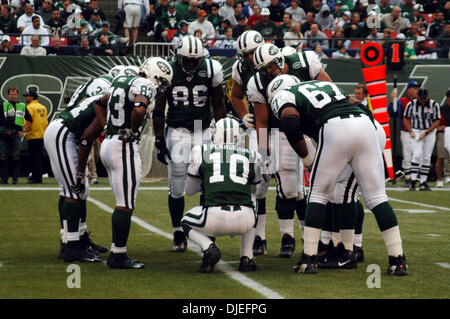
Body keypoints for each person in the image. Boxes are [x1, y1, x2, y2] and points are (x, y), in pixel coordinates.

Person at [268, 75, 408, 276]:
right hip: (367, 125)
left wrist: (307, 158)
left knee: (317, 194)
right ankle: (398, 259)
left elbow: (290, 123)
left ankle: (309, 258)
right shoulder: (324, 85)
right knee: (377, 197)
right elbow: (358, 105)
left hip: (336, 128)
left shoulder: (284, 95)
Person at [246, 43, 332, 258]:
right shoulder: (257, 82)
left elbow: (330, 90)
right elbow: (263, 120)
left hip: (314, 127)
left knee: (325, 186)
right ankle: (288, 238)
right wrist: (264, 150)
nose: (268, 72)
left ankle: (332, 241)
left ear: (279, 59)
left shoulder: (304, 63)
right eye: (263, 69)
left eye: (269, 67)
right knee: (289, 188)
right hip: (282, 131)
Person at [94, 57, 173, 269]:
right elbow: (139, 110)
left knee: (123, 200)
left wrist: (106, 128)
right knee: (126, 203)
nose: (161, 87)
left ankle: (117, 252)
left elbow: (99, 102)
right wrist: (133, 130)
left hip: (109, 144)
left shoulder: (121, 79)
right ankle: (118, 255)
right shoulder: (144, 84)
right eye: (162, 81)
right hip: (123, 145)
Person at [152, 35, 226, 253]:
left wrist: (222, 132)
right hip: (178, 131)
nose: (193, 64)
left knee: (207, 181)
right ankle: (177, 231)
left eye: (196, 60)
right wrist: (159, 138)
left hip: (203, 130)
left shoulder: (211, 68)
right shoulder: (168, 70)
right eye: (188, 60)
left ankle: (206, 229)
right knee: (176, 186)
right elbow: (159, 108)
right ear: (178, 55)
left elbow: (219, 103)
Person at [181, 117, 261, 273]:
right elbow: (255, 189)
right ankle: (247, 257)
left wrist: (209, 183)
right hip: (246, 220)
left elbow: (189, 191)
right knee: (251, 200)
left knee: (185, 221)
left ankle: (208, 247)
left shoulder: (201, 151)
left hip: (213, 218)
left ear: (214, 134)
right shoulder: (252, 155)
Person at [230, 30, 268, 255]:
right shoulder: (240, 68)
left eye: (251, 53)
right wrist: (245, 115)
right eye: (245, 55)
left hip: (282, 129)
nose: (248, 59)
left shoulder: (275, 62)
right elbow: (235, 95)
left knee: (291, 188)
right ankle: (259, 237)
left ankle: (290, 237)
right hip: (259, 130)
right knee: (257, 183)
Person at [403, 88, 441, 191]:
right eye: (421, 99)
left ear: (427, 97)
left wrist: (427, 132)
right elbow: (406, 117)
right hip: (417, 131)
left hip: (429, 132)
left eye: (424, 99)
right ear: (418, 97)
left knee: (426, 157)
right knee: (417, 154)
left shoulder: (434, 105)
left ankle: (423, 182)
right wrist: (410, 130)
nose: (423, 101)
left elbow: (437, 121)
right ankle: (413, 181)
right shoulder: (411, 104)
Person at [388, 80, 419, 187]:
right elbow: (394, 112)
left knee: (418, 155)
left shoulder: (421, 101)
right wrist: (393, 101)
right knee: (407, 155)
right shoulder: (402, 100)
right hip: (406, 131)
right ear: (409, 90)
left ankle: (417, 177)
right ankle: (408, 178)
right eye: (414, 88)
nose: (416, 90)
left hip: (420, 131)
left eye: (417, 88)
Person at [0, 87, 32, 184]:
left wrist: (23, 131)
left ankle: (15, 179)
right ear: (8, 95)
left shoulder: (22, 106)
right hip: (3, 135)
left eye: (15, 94)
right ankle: (4, 179)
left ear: (17, 95)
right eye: (11, 94)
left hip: (16, 135)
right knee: (2, 157)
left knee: (16, 157)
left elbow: (30, 120)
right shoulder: (2, 106)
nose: (13, 96)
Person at [23, 89, 48, 184]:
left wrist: (23, 130)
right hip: (42, 135)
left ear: (31, 97)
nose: (25, 98)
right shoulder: (43, 107)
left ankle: (37, 177)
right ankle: (35, 175)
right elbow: (45, 122)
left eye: (27, 96)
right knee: (39, 157)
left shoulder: (30, 107)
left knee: (34, 157)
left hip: (33, 136)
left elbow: (27, 121)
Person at [435, 89, 450, 187]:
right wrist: (438, 127)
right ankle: (439, 179)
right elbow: (436, 122)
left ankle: (448, 176)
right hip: (443, 133)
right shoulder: (442, 109)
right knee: (441, 156)